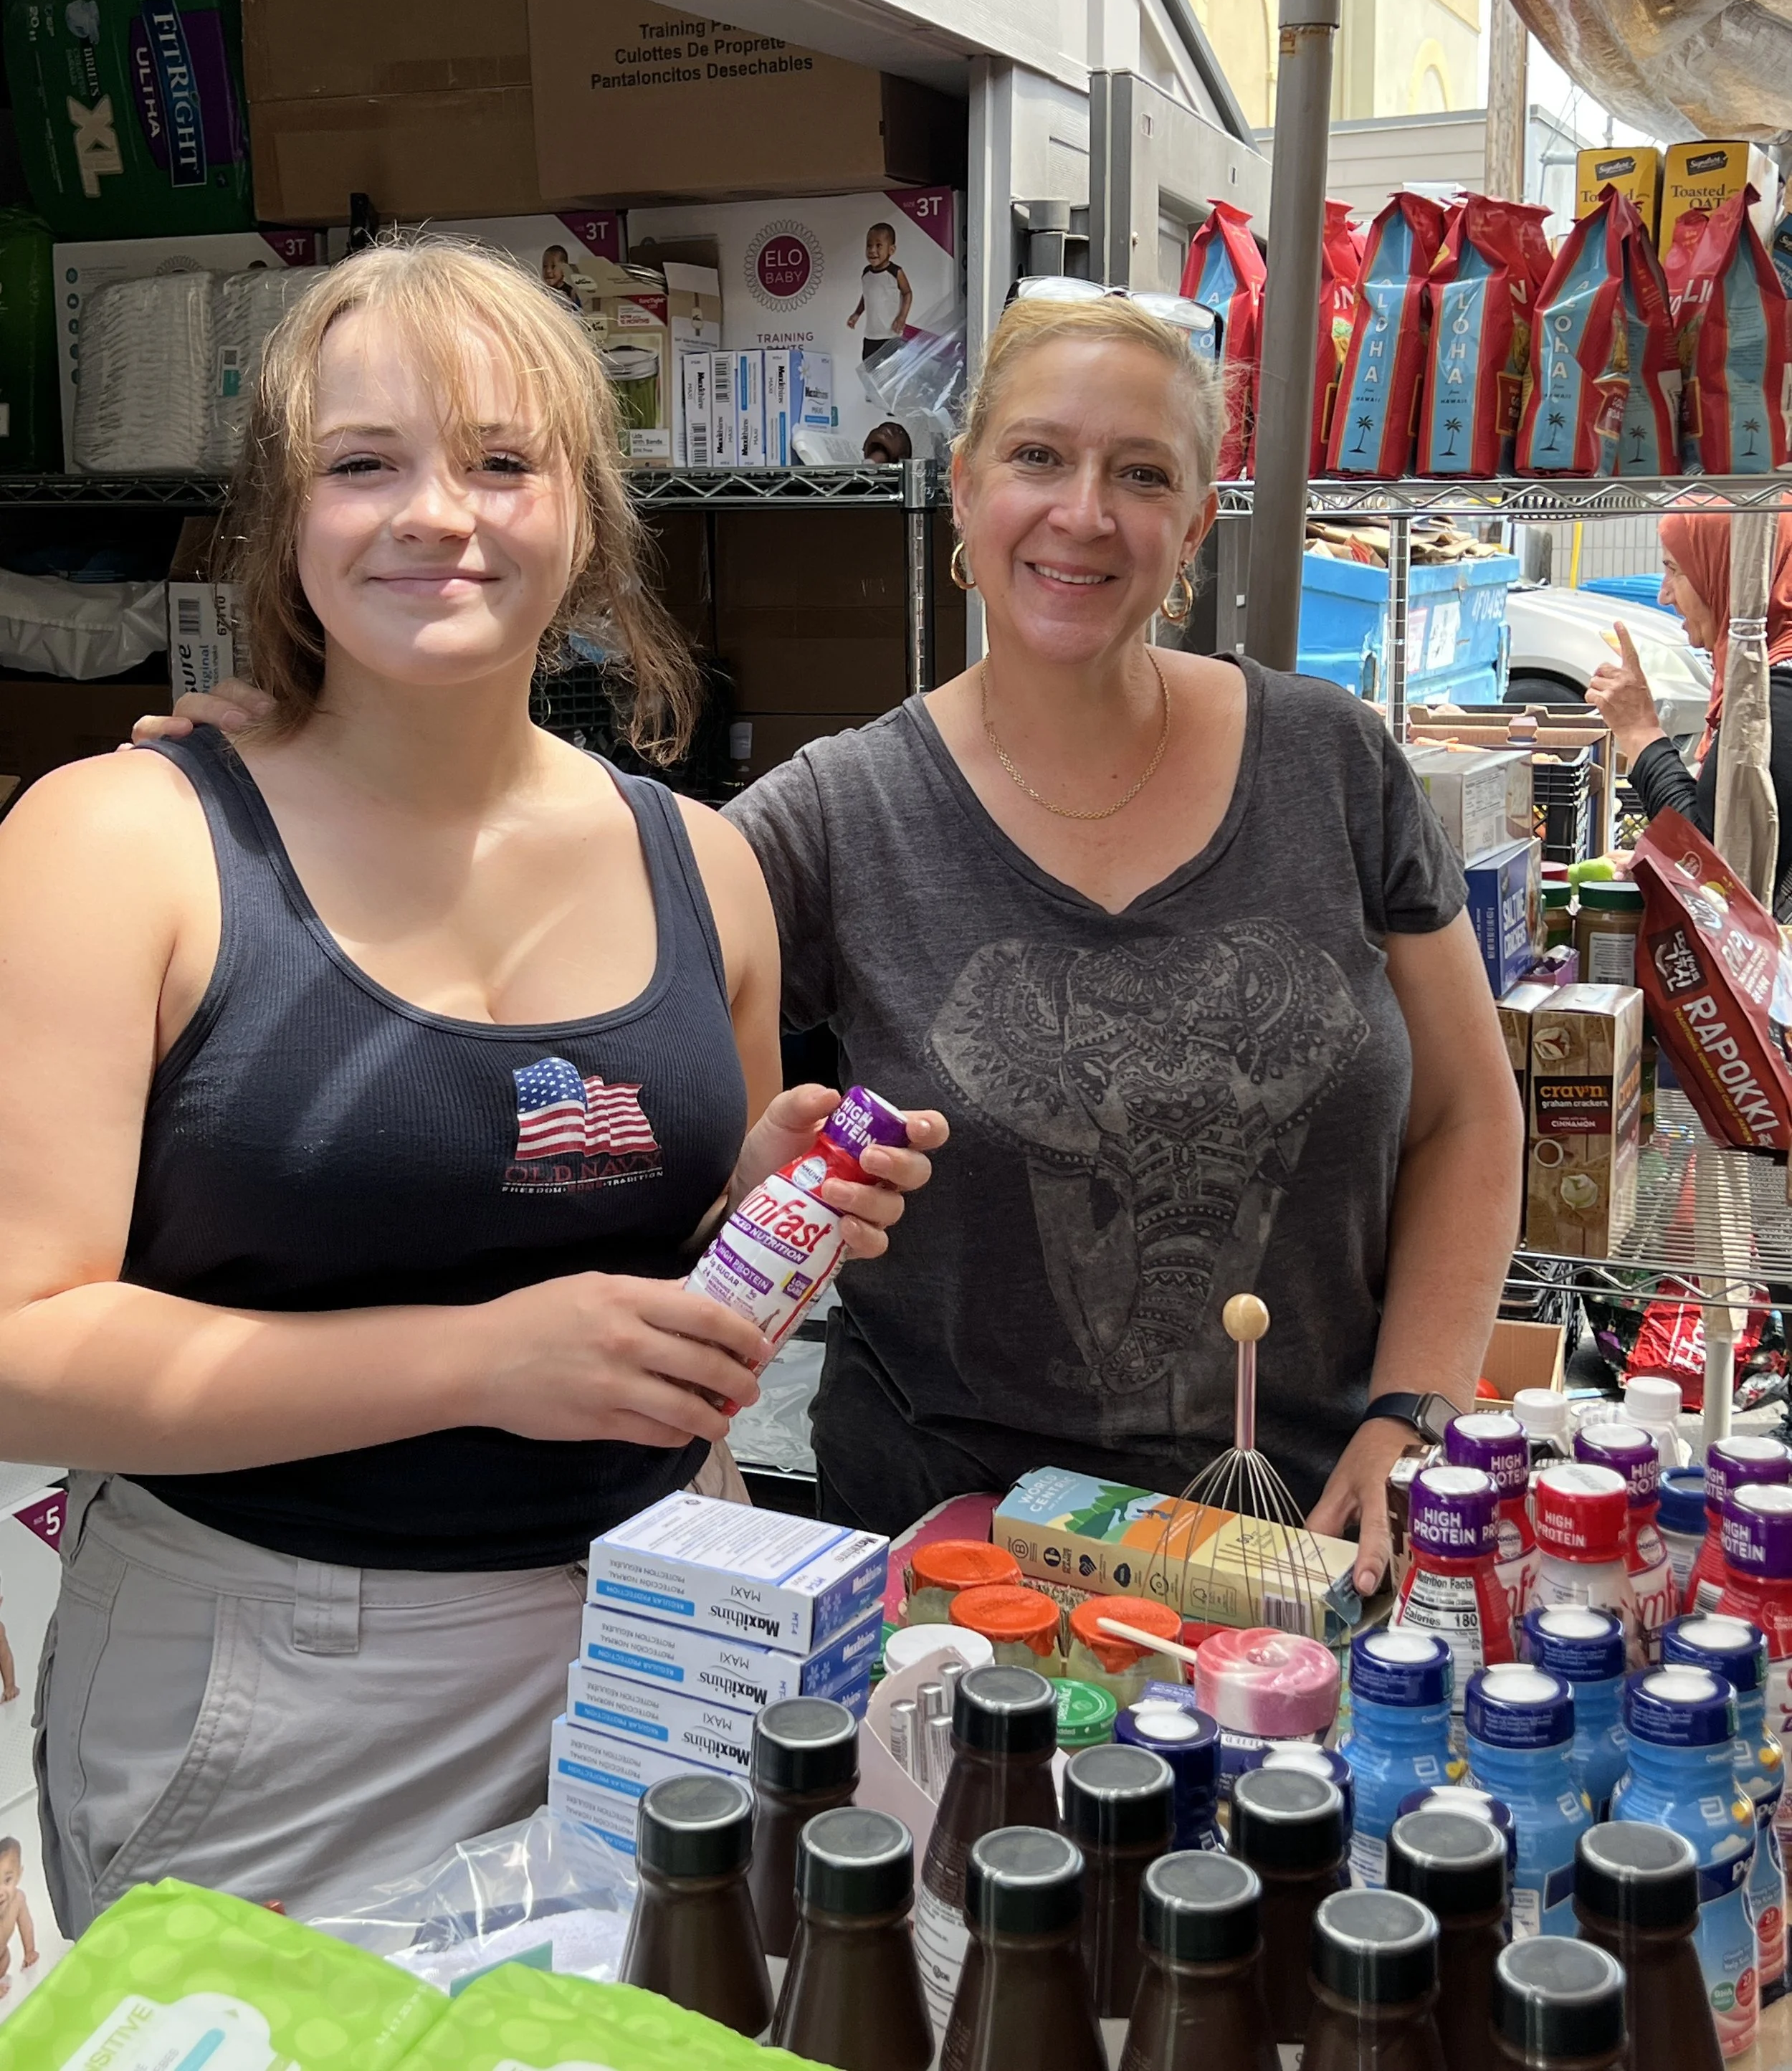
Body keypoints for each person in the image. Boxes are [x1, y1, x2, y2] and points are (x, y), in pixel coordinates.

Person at [158, 292, 1520, 1599]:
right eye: (1038, 456)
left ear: (1198, 523)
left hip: (1319, 1537)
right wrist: (310, 779)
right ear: (965, 489)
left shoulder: (1329, 763)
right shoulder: (831, 819)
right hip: (951, 1569)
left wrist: (1412, 1415)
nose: (1084, 512)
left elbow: (1466, 1115)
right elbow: (544, 942)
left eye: (1142, 473)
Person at [0, 237, 941, 1930]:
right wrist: (482, 1362)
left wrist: (762, 1195)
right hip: (283, 1684)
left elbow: (649, 1255)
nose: (440, 513)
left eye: (504, 461)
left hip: (666, 1631)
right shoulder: (119, 843)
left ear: (585, 513)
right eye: (366, 464)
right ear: (287, 519)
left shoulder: (702, 864)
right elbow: (15, 1351)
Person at [1587, 508, 1792, 909]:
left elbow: (1718, 868)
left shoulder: (1779, 695)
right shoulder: (1765, 671)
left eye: (1675, 570)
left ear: (1733, 575)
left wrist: (1641, 732)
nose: (1664, 594)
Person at [847, 222, 912, 367]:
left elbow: (907, 293)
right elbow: (867, 295)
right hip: (871, 336)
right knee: (870, 372)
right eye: (869, 246)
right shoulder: (866, 273)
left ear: (891, 249)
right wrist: (857, 314)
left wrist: (902, 317)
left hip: (891, 336)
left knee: (893, 374)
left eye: (878, 245)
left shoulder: (895, 272)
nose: (872, 250)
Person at [0, 1837, 38, 1999]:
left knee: (5, 1958)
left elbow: (26, 1924)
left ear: (19, 1875)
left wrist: (29, 1951)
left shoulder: (18, 1900)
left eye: (7, 1880)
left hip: (1, 1957)